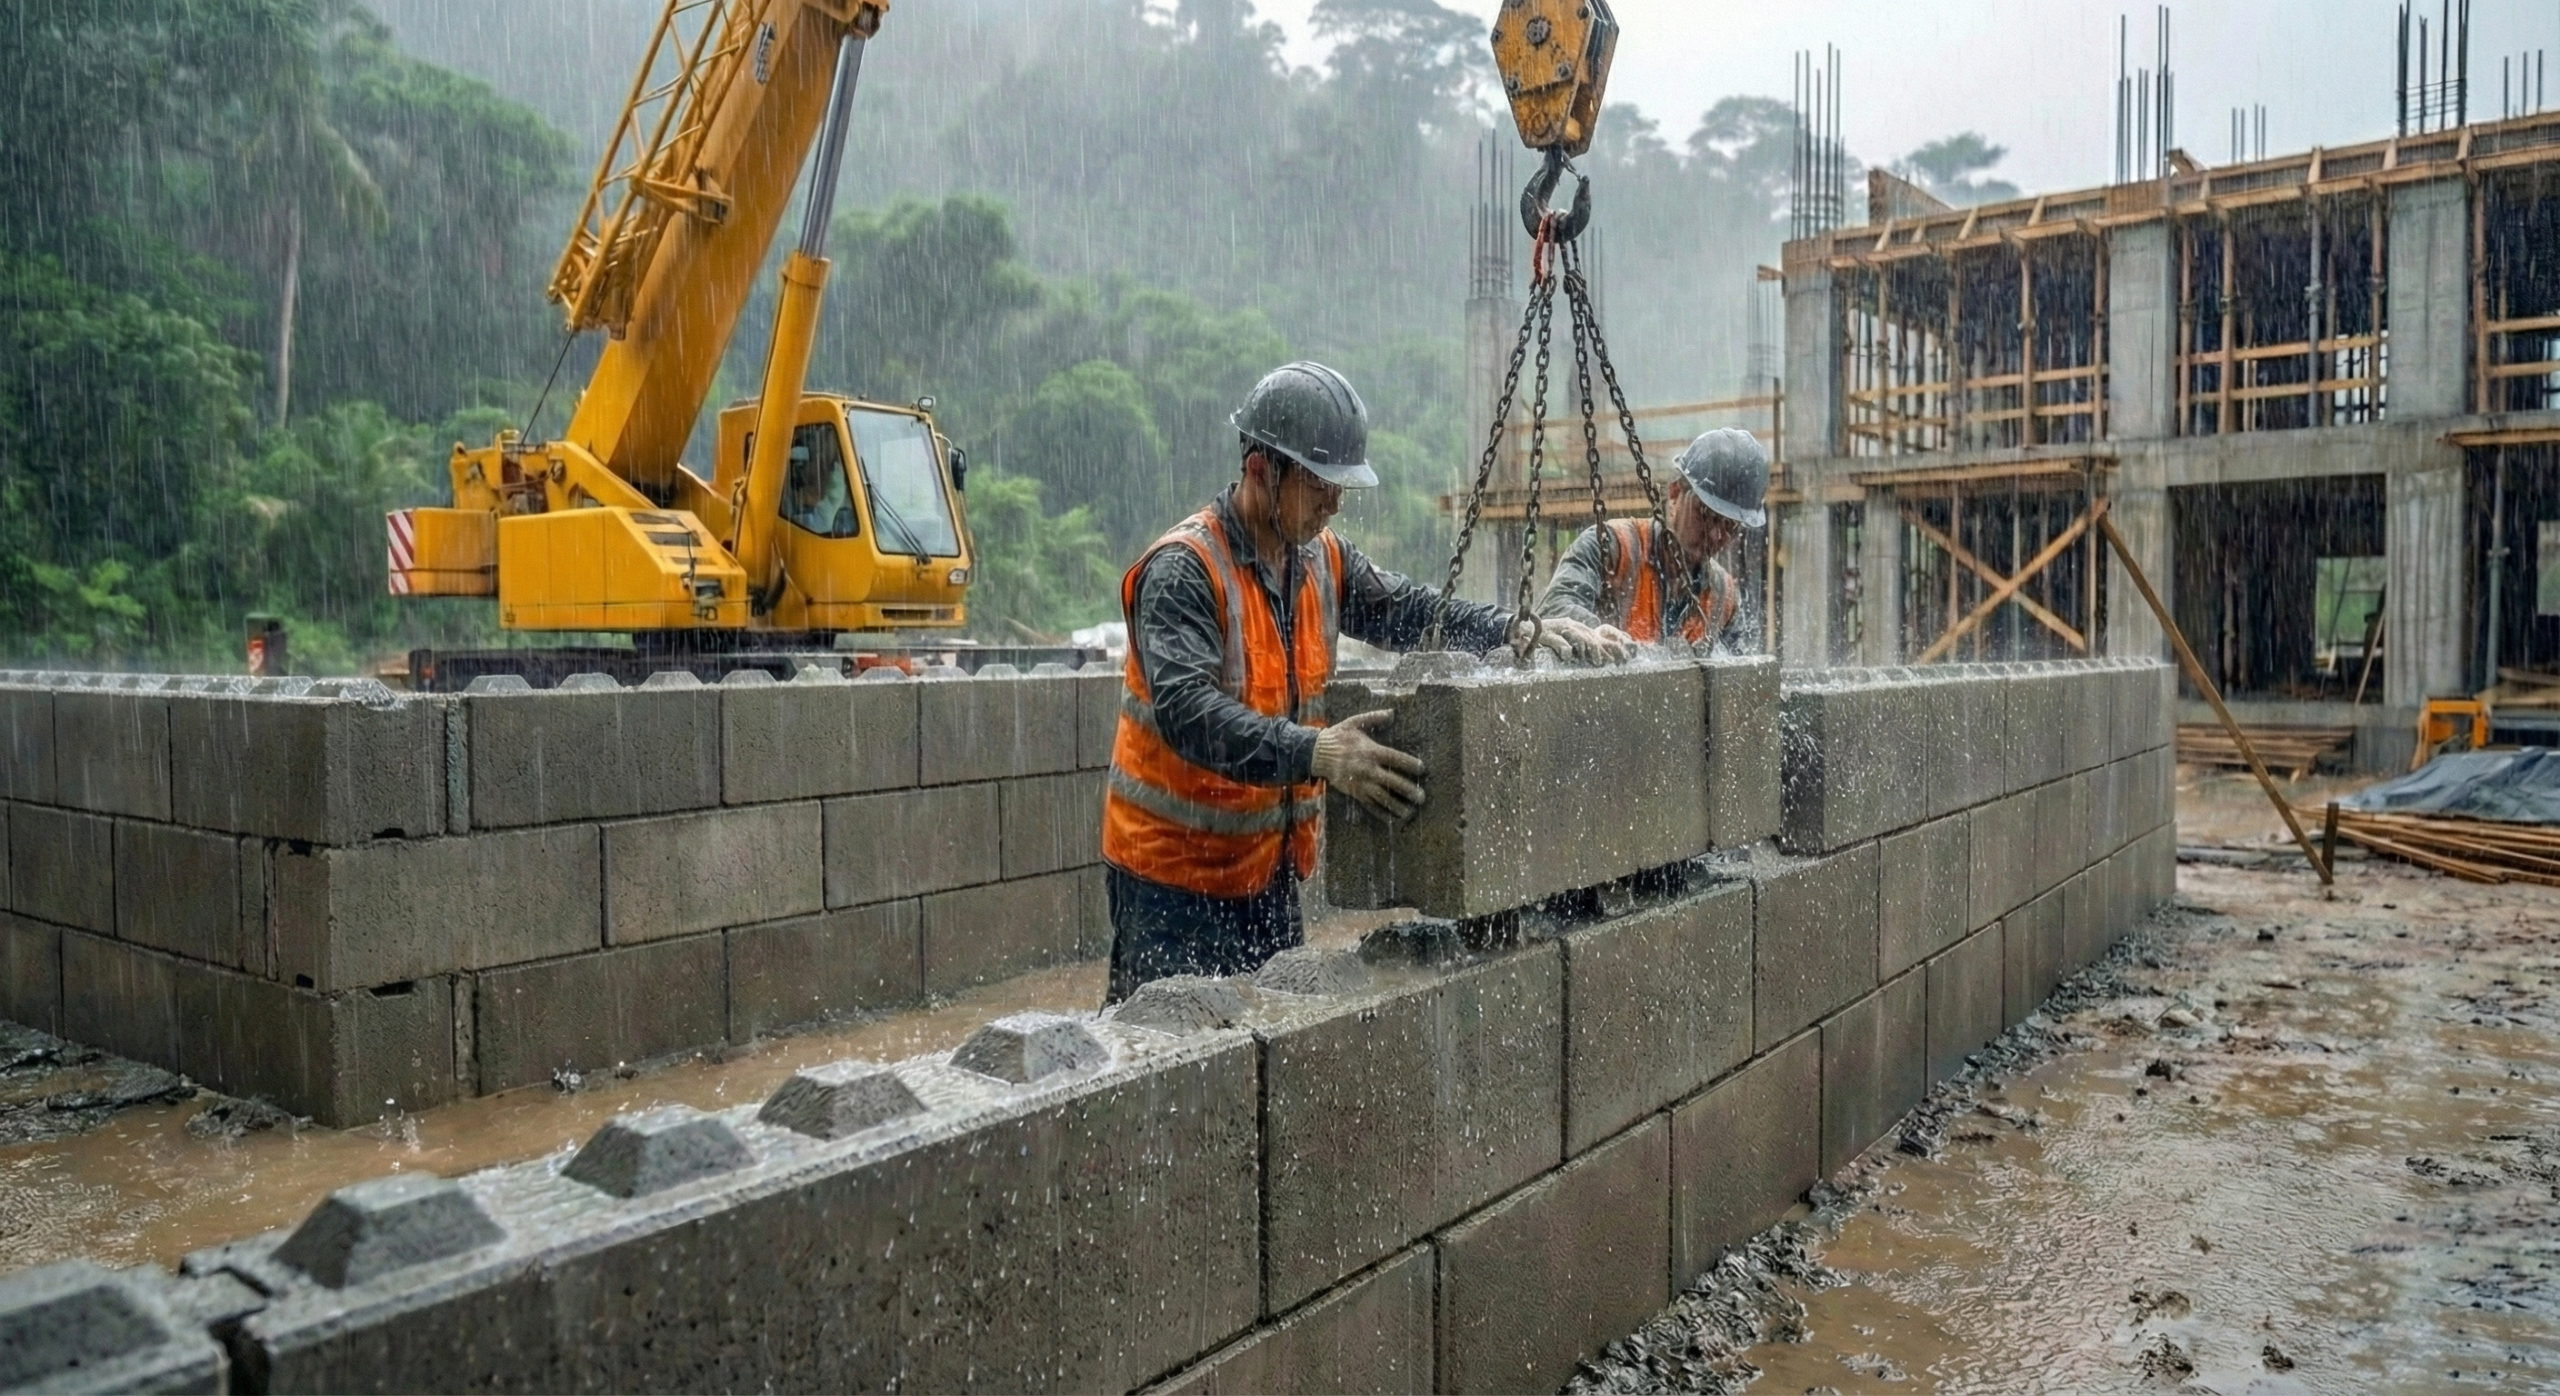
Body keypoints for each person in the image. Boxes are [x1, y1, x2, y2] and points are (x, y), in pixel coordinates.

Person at [1101, 360, 1620, 1000]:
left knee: (1268, 1054)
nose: (1336, 501)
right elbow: (1188, 713)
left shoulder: (1323, 559)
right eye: (1320, 483)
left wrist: (1515, 629)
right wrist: (1318, 752)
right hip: (1170, 883)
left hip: (1266, 877)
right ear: (1262, 470)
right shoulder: (1183, 571)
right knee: (1165, 1067)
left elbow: (1413, 612)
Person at [1536, 427, 1769, 650]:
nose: (1716, 534)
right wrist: (1603, 637)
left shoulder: (1723, 596)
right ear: (1675, 493)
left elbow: (1744, 675)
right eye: (1707, 515)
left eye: (1730, 526)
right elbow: (1554, 613)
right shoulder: (1611, 548)